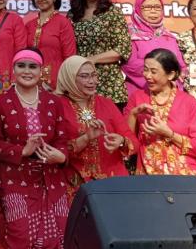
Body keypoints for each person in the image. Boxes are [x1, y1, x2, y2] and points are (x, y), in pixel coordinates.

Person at [0, 49, 73, 249]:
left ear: (41, 70)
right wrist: (23, 151)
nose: (27, 71)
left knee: (63, 236)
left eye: (32, 66)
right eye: (21, 66)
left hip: (51, 175)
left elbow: (63, 138)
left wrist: (61, 156)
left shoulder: (54, 102)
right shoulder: (0, 102)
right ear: (13, 69)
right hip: (15, 177)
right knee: (22, 239)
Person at [56, 56, 137, 202]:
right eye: (84, 76)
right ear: (69, 78)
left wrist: (122, 141)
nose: (92, 81)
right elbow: (55, 150)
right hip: (75, 188)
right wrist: (85, 138)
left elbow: (133, 142)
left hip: (112, 184)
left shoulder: (106, 103)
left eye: (94, 75)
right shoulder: (56, 106)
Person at [125, 48, 196, 176]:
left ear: (170, 75)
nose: (147, 75)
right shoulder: (137, 98)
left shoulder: (189, 102)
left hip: (184, 176)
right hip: (148, 175)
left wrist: (169, 134)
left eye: (153, 72)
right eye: (145, 70)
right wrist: (133, 115)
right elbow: (127, 144)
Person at [68, 0, 132, 107]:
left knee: (111, 129)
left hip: (109, 85)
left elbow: (122, 49)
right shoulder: (72, 14)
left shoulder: (113, 12)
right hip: (80, 84)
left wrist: (91, 60)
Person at [123, 0, 186, 98]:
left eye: (157, 7)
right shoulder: (129, 35)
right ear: (138, 9)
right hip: (141, 92)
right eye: (147, 7)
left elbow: (181, 65)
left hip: (169, 94)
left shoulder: (169, 36)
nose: (153, 11)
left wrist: (180, 73)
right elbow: (131, 65)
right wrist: (163, 74)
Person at [23, 0, 76, 90]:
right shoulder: (28, 25)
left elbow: (69, 58)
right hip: (30, 83)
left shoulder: (63, 23)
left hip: (56, 85)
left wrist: (63, 87)